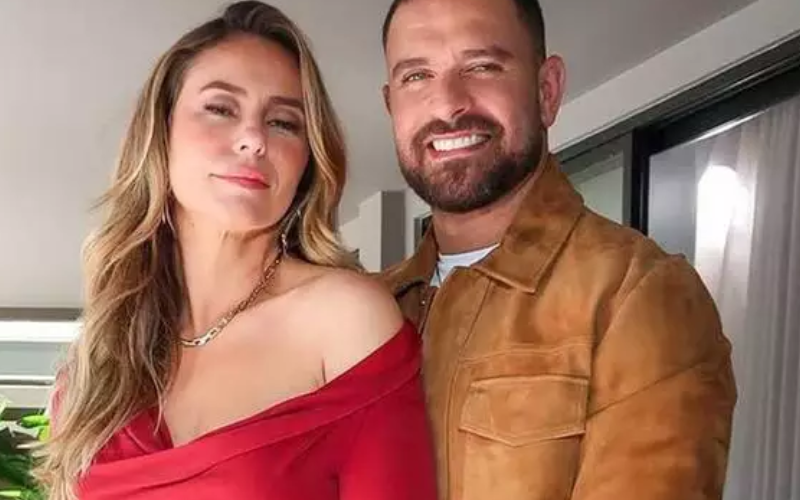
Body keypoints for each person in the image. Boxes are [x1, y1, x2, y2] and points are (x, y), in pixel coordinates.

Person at [37, 2, 437, 500]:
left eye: (284, 122)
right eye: (221, 109)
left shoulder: (345, 321)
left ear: (307, 161)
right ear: (161, 132)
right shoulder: (95, 368)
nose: (253, 139)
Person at [378, 0, 737, 499]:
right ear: (391, 104)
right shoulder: (366, 308)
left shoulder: (636, 294)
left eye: (482, 67)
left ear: (546, 91)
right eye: (416, 76)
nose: (447, 104)